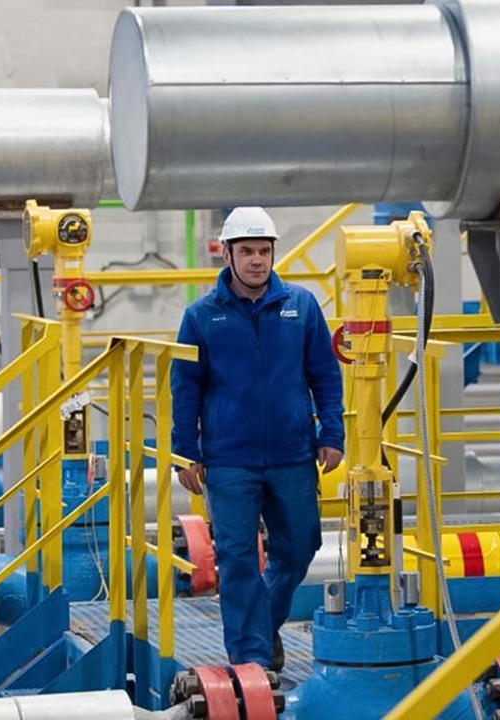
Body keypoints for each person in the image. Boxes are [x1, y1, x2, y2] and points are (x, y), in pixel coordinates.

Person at [172, 206, 344, 672]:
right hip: (229, 459)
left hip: (293, 454)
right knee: (237, 556)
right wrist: (185, 451)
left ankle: (262, 626)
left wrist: (332, 431)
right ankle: (252, 659)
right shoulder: (201, 316)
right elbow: (185, 388)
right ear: (227, 254)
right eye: (246, 251)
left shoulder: (301, 307)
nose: (256, 260)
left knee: (301, 546)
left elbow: (325, 374)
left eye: (263, 251)